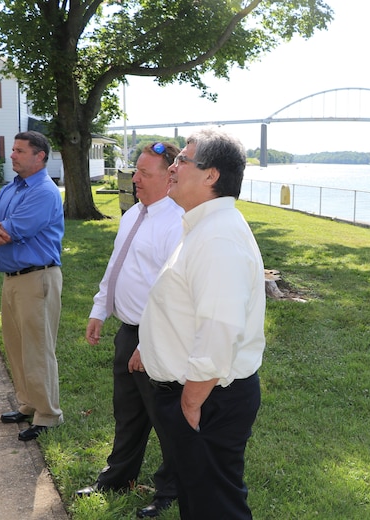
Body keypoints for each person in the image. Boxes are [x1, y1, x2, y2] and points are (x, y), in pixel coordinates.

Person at [138, 128, 265, 519]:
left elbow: (218, 329)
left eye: (182, 161)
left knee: (217, 507)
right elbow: (189, 309)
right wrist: (152, 348)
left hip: (208, 400)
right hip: (199, 395)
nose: (172, 167)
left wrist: (191, 402)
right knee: (198, 502)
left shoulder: (217, 237)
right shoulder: (203, 227)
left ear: (211, 176)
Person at [76, 142, 184, 518]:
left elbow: (172, 293)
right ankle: (118, 477)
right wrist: (100, 309)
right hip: (128, 331)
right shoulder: (132, 214)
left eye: (143, 173)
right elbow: (116, 267)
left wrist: (150, 343)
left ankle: (170, 490)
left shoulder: (177, 222)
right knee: (128, 412)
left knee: (165, 416)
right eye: (135, 170)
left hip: (158, 335)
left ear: (170, 177)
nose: (134, 178)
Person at [0, 130, 65, 442]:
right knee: (16, 346)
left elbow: (9, 232)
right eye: (12, 150)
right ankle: (28, 405)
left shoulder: (44, 192)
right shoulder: (11, 188)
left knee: (37, 348)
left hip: (37, 278)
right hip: (12, 280)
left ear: (39, 156)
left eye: (20, 151)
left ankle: (48, 415)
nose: (11, 155)